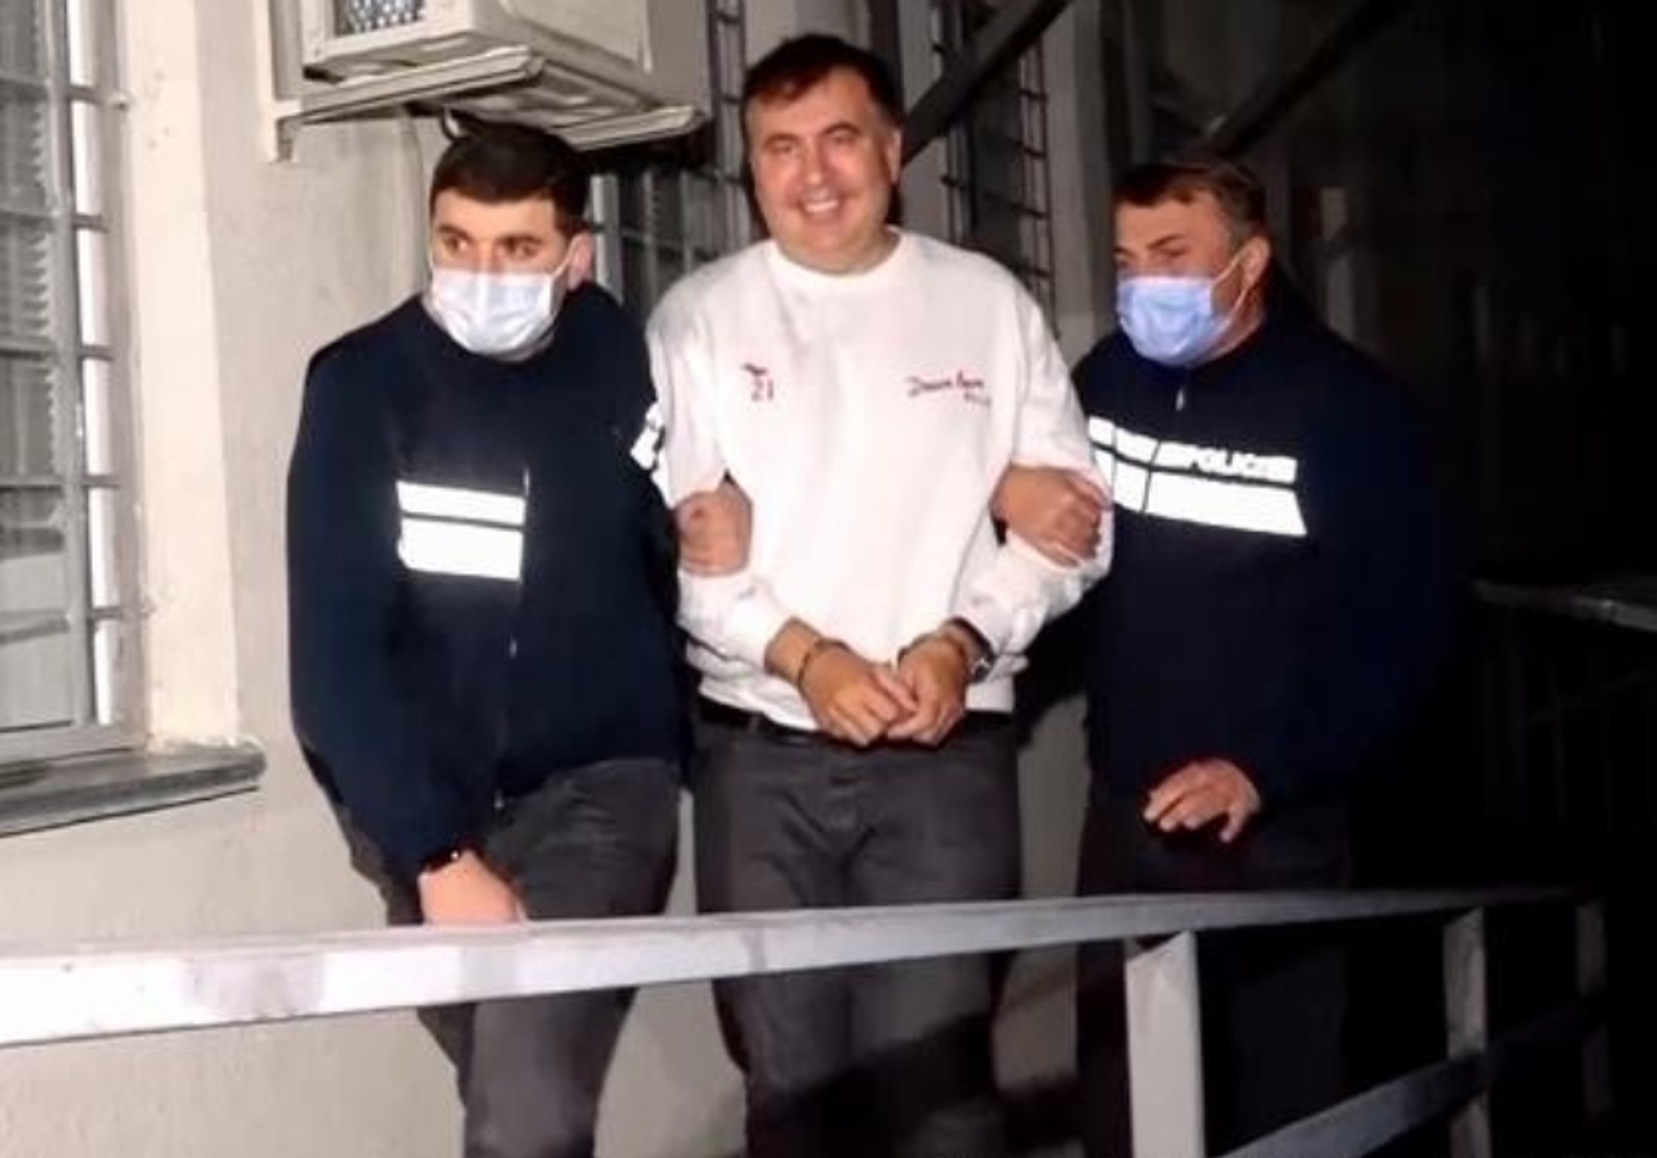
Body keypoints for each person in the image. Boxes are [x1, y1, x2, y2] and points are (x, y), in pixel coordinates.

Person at [648, 33, 1111, 1158]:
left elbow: (1072, 532)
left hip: (943, 765)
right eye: (779, 147)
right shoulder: (698, 320)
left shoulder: (985, 305)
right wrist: (805, 655)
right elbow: (678, 559)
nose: (812, 175)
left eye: (840, 140)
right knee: (789, 1090)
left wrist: (965, 640)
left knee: (935, 1086)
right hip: (760, 762)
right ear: (751, 168)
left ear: (893, 150)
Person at [1006, 155, 1453, 1156]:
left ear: (1248, 263)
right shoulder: (1105, 383)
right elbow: (1062, 558)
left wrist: (1267, 768)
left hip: (1275, 828)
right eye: (1126, 261)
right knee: (1123, 1104)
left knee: (1280, 1106)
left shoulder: (1348, 412)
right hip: (1125, 813)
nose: (1143, 285)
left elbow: (1407, 635)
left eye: (1172, 255)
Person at [286, 121, 686, 1158]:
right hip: (423, 799)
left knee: (525, 1093)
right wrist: (436, 852)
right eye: (456, 243)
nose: (481, 273)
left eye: (517, 249)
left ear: (575, 257)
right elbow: (334, 664)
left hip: (600, 787)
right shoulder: (362, 387)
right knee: (501, 1077)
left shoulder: (619, 358)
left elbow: (664, 545)